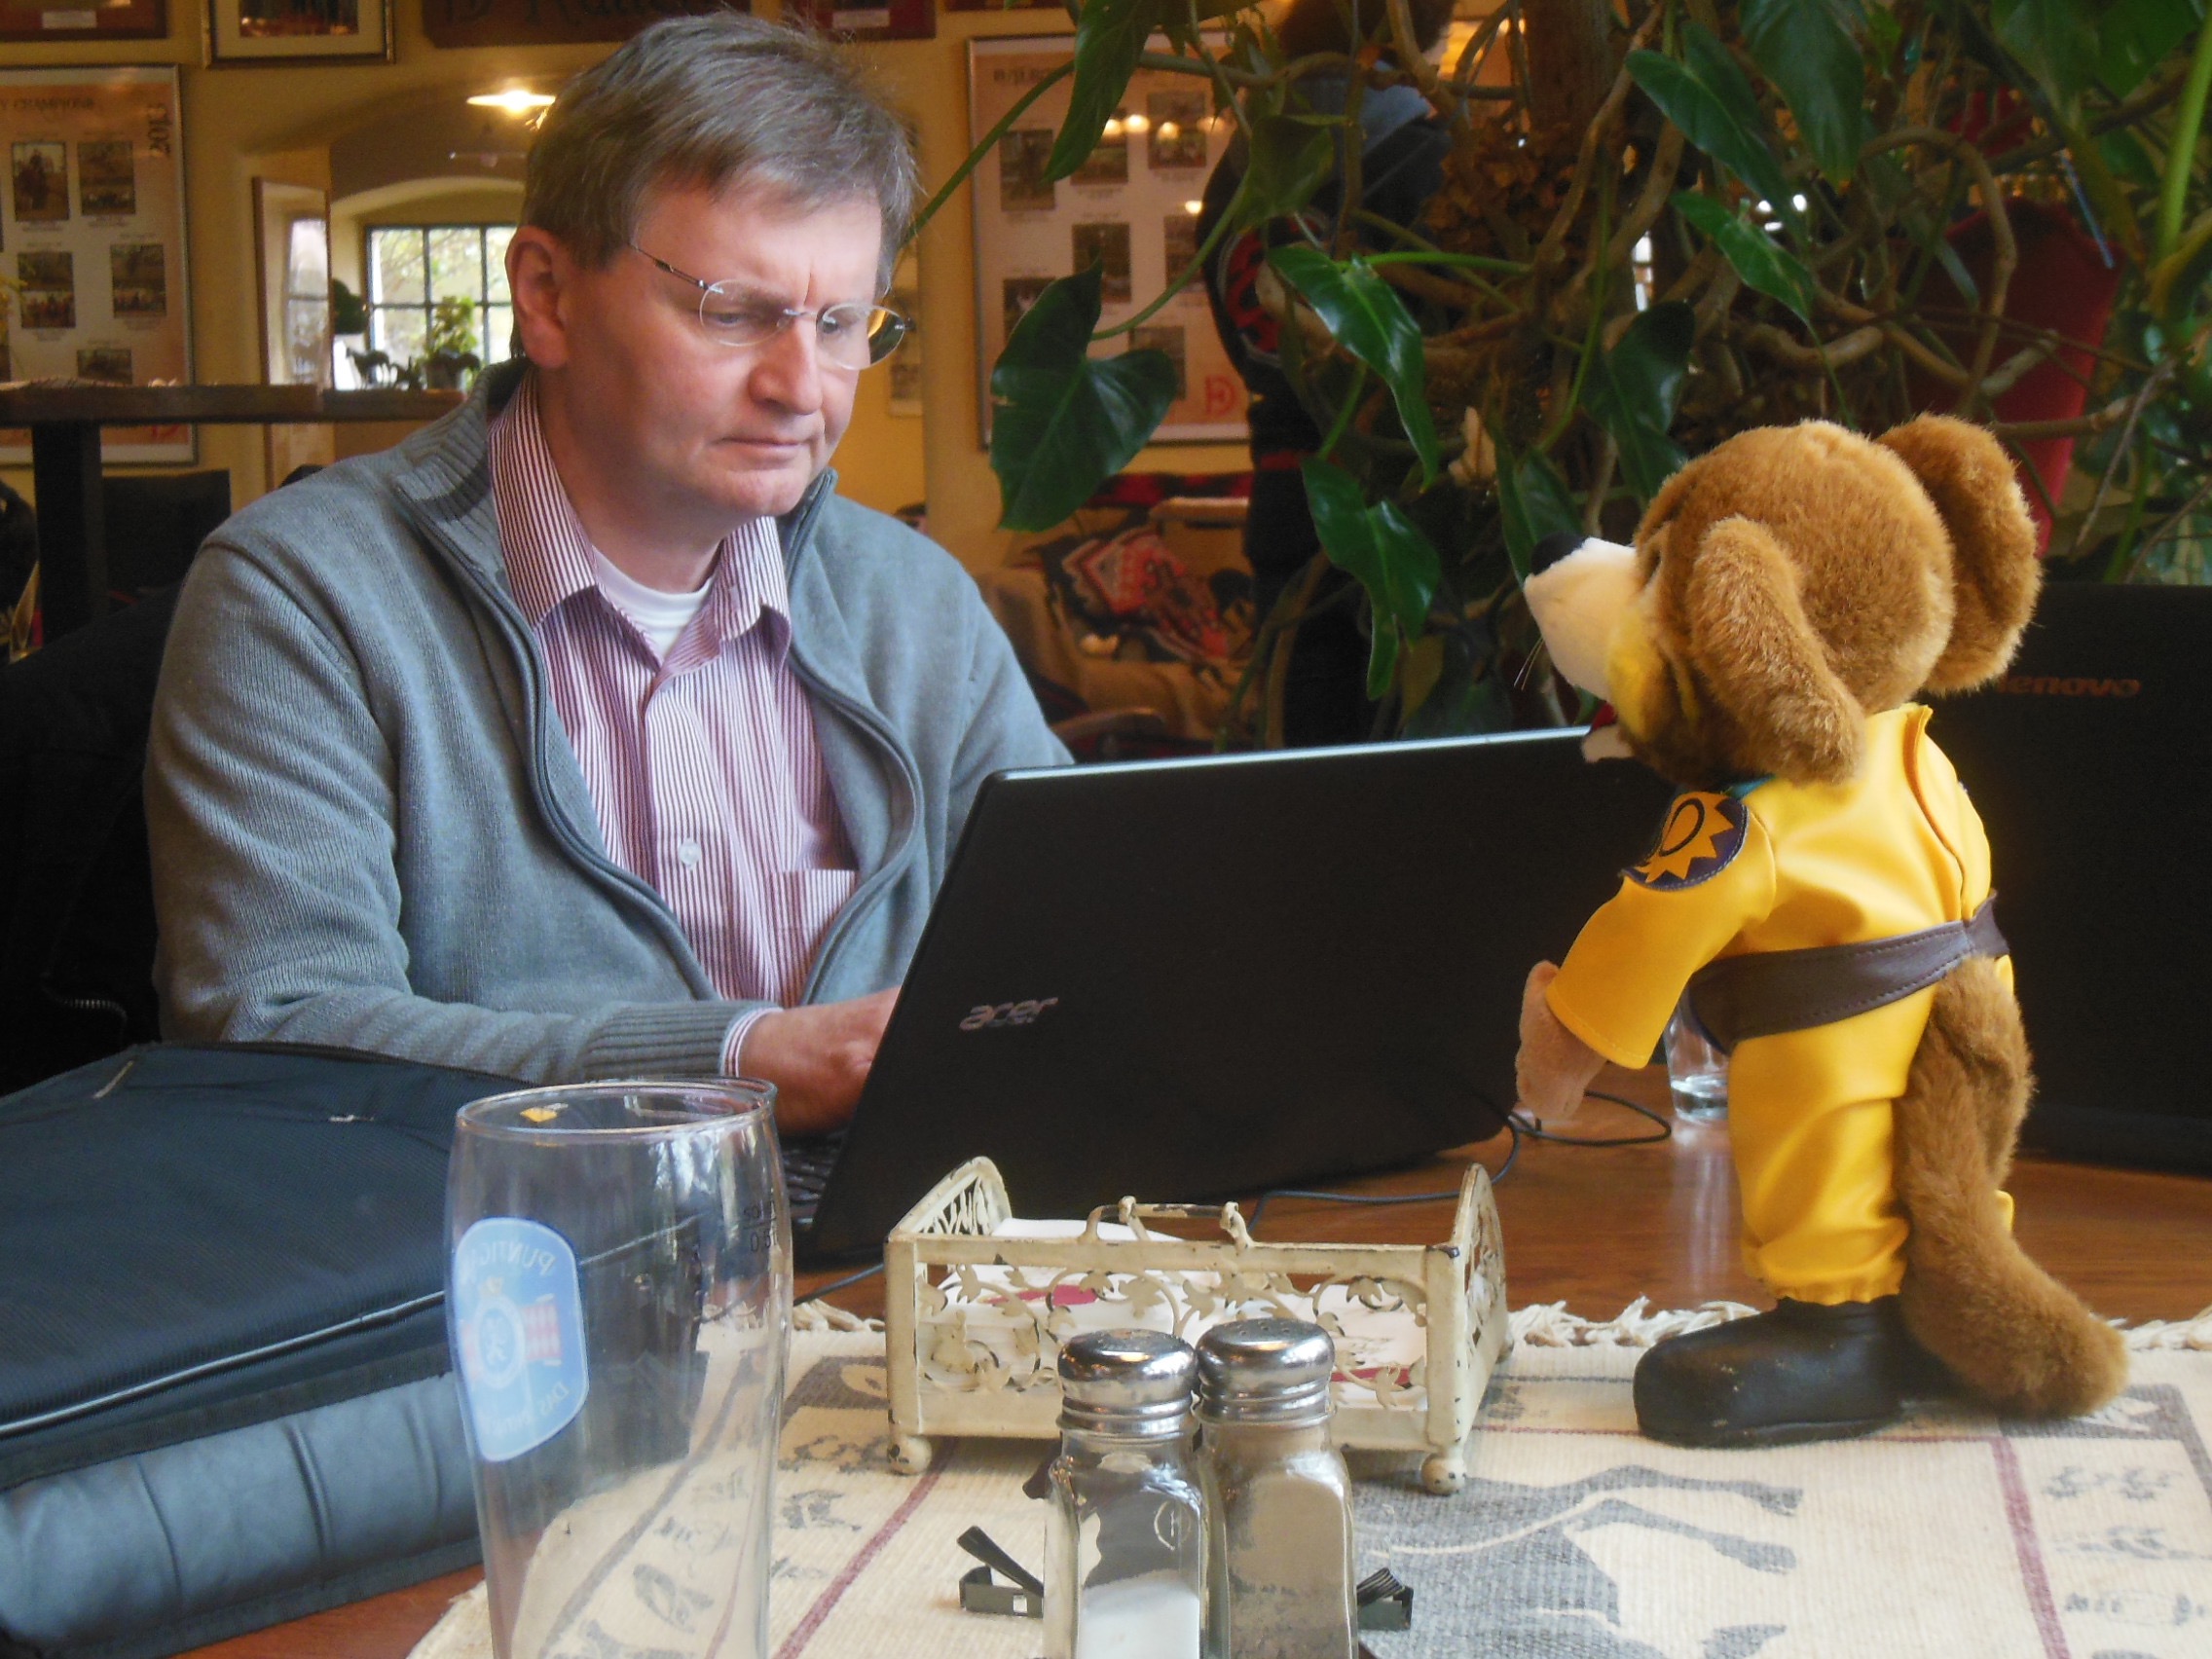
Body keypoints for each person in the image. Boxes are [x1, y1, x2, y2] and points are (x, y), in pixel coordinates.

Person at [145, 15, 1066, 1135]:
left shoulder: (916, 604)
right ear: (546, 295)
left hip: (906, 1227)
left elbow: (1072, 945)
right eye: (734, 312)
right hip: (494, 1236)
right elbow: (272, 1029)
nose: (801, 387)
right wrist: (734, 1064)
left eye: (838, 325)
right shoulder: (302, 596)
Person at [1197, 0, 1455, 745]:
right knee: (1423, 773)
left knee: (1308, 765)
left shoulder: (1234, 179)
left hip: (1286, 505)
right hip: (1416, 510)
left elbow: (1251, 340)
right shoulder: (1428, 164)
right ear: (1407, 40)